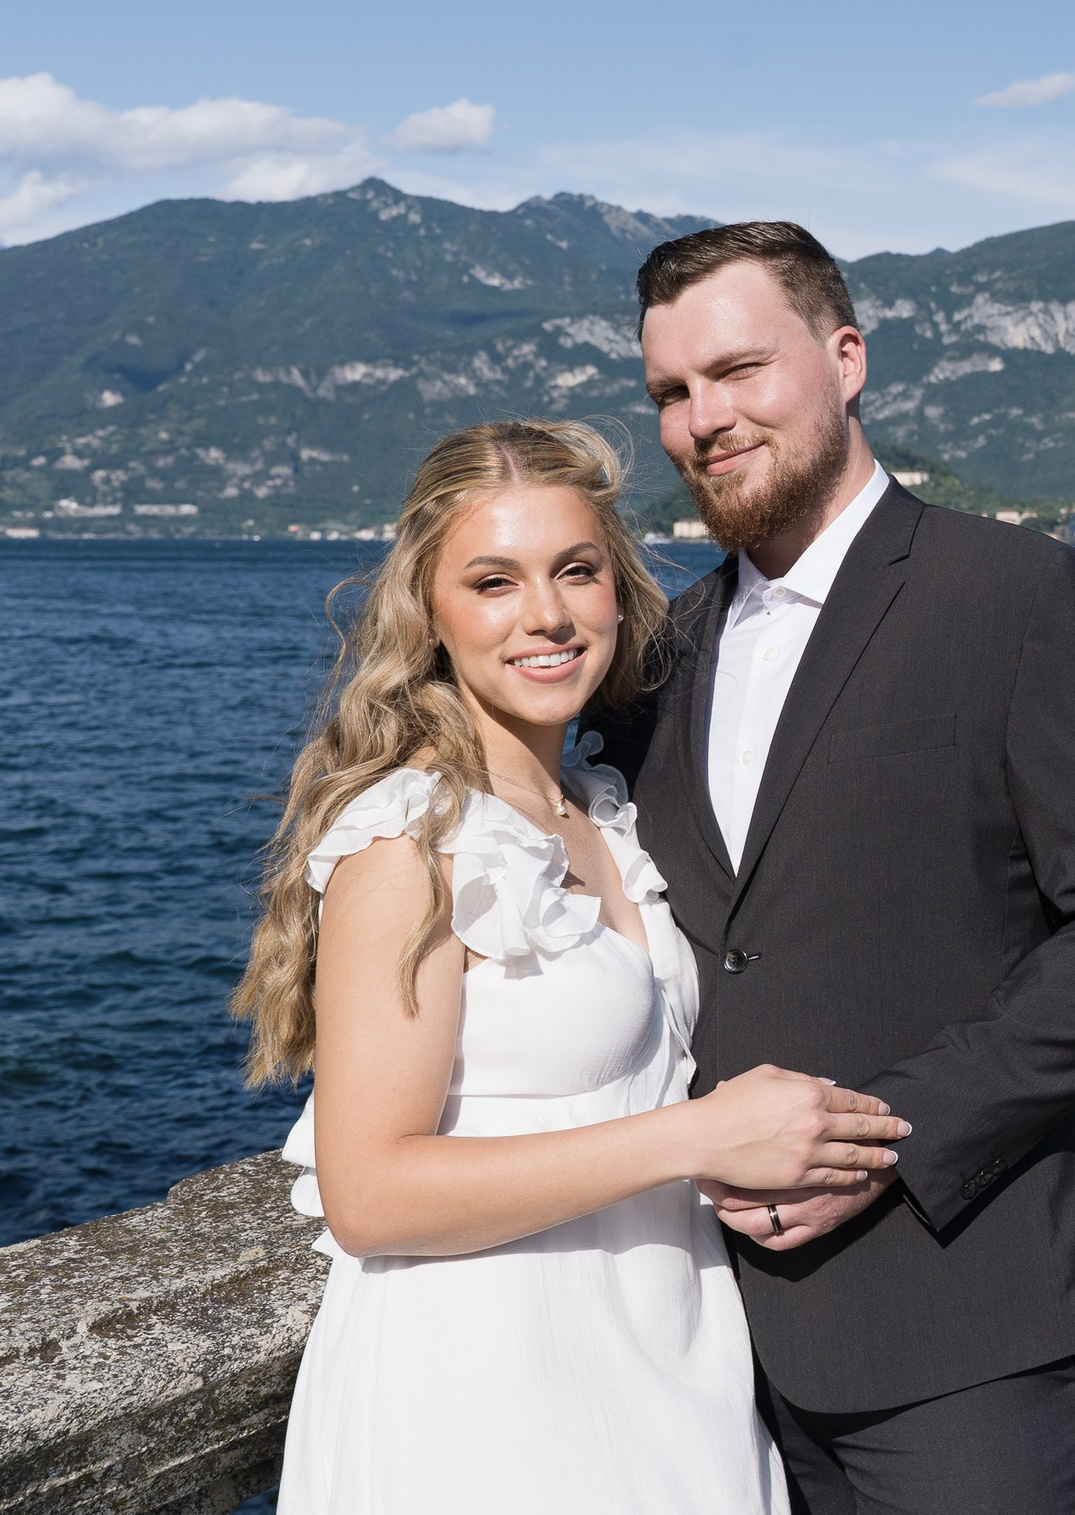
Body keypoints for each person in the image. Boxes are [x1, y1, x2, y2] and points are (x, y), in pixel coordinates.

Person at [593, 221, 1075, 1514]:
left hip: (958, 1316)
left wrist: (883, 1140)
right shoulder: (661, 652)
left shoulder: (1019, 594)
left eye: (739, 369)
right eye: (671, 391)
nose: (704, 418)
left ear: (845, 358)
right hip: (706, 1348)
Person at [233, 420, 909, 1513]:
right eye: (493, 581)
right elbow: (369, 1194)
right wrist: (697, 1136)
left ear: (619, 593)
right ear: (429, 612)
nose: (545, 614)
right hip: (490, 1394)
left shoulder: (600, 811)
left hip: (669, 1361)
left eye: (576, 570)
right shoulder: (410, 840)